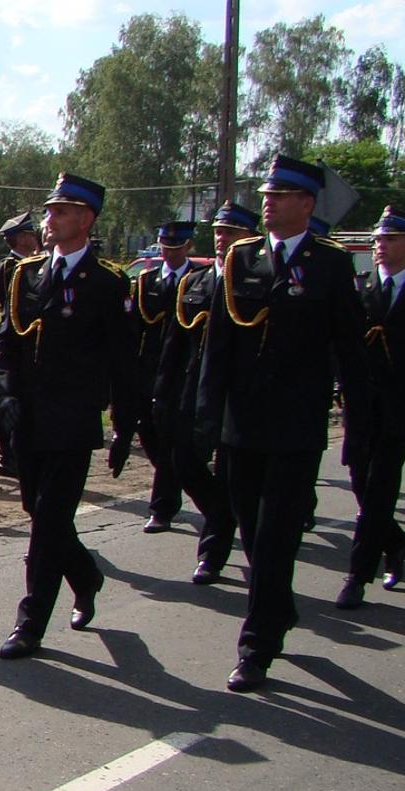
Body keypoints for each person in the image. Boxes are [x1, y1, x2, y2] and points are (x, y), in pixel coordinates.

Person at [194, 156, 370, 693]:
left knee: (274, 538)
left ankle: (257, 646)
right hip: (242, 425)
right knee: (252, 533)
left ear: (307, 205)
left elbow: (350, 349)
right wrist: (207, 415)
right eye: (266, 194)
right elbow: (217, 348)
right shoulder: (242, 260)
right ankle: (279, 606)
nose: (267, 201)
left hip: (296, 426)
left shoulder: (330, 266)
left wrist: (359, 418)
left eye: (281, 195)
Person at [0, 173, 140, 660]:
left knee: (49, 521)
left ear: (86, 219)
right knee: (41, 514)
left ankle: (30, 623)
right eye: (49, 210)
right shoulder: (26, 274)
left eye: (61, 211)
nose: (49, 220)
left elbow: (124, 361)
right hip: (28, 419)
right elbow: (6, 345)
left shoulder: (107, 282)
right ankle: (86, 574)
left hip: (73, 421)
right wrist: (6, 397)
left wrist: (125, 424)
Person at [334, 206, 405, 610]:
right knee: (361, 483)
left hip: (399, 406)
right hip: (361, 404)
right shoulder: (359, 289)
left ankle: (357, 575)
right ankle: (395, 544)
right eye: (377, 239)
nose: (381, 246)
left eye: (390, 239)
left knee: (379, 488)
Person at [170, 203, 256, 585]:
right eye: (219, 232)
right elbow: (174, 344)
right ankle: (222, 517)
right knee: (183, 462)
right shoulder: (195, 282)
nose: (222, 240)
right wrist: (160, 392)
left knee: (234, 477)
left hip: (240, 395)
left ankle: (214, 550)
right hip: (194, 390)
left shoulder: (257, 282)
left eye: (232, 233)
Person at [133, 222, 198, 534]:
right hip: (149, 370)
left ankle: (162, 507)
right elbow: (135, 328)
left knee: (172, 438)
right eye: (165, 247)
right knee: (148, 433)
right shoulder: (147, 281)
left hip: (180, 374)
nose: (169, 253)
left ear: (188, 247)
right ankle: (174, 477)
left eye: (176, 247)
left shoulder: (197, 280)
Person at [0, 210, 41, 478]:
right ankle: (6, 455)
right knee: (8, 392)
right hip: (14, 330)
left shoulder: (34, 263)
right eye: (29, 234)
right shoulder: (12, 266)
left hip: (28, 333)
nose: (34, 238)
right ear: (20, 238)